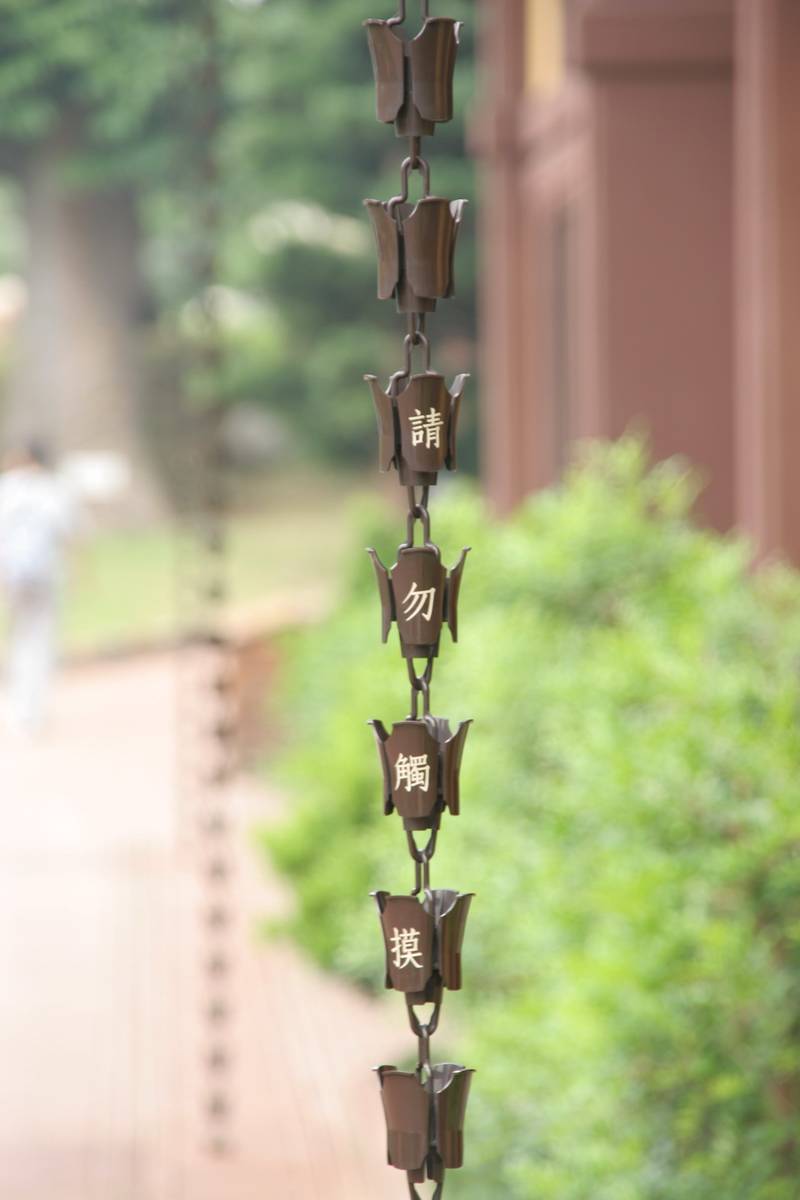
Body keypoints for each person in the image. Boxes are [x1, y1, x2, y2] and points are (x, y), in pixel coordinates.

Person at [0, 441, 76, 734]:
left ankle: (21, 708)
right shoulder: (53, 489)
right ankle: (34, 709)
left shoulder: (8, 487)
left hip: (15, 575)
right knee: (40, 640)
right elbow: (69, 533)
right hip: (46, 575)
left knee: (20, 638)